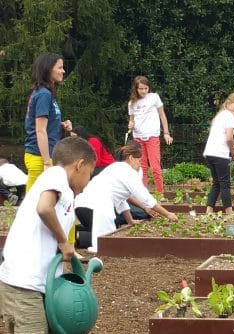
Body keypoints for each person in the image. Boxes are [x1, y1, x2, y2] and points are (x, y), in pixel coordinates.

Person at [0, 137, 96, 333]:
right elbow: (44, 208)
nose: (87, 184)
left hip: (42, 283)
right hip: (24, 284)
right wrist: (64, 241)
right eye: (90, 174)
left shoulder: (64, 189)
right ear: (80, 165)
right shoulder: (56, 174)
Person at [74, 141, 177, 253]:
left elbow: (121, 200)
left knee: (109, 235)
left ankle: (74, 233)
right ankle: (74, 236)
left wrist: (130, 221)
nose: (140, 163)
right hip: (95, 208)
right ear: (131, 158)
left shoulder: (116, 168)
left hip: (82, 207)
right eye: (139, 160)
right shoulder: (128, 172)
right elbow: (146, 199)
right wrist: (168, 214)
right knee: (109, 241)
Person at [24, 52, 73, 192]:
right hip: (40, 157)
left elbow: (42, 124)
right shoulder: (44, 94)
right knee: (33, 204)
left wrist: (61, 124)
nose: (63, 71)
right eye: (59, 67)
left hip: (45, 154)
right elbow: (40, 130)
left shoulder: (46, 93)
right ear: (48, 69)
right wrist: (46, 162)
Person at [128, 76, 173, 194]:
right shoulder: (131, 103)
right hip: (137, 137)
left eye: (145, 88)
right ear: (136, 89)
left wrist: (166, 133)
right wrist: (130, 125)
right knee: (141, 167)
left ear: (149, 88)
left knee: (155, 167)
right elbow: (131, 120)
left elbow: (162, 115)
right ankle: (143, 194)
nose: (143, 91)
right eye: (141, 89)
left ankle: (160, 193)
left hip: (152, 136)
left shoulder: (154, 97)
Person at [203, 92, 234, 214]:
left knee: (216, 183)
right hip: (220, 154)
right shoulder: (230, 116)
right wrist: (232, 150)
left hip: (209, 152)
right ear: (229, 103)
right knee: (225, 183)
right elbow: (229, 138)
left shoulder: (219, 115)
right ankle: (229, 212)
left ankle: (209, 210)